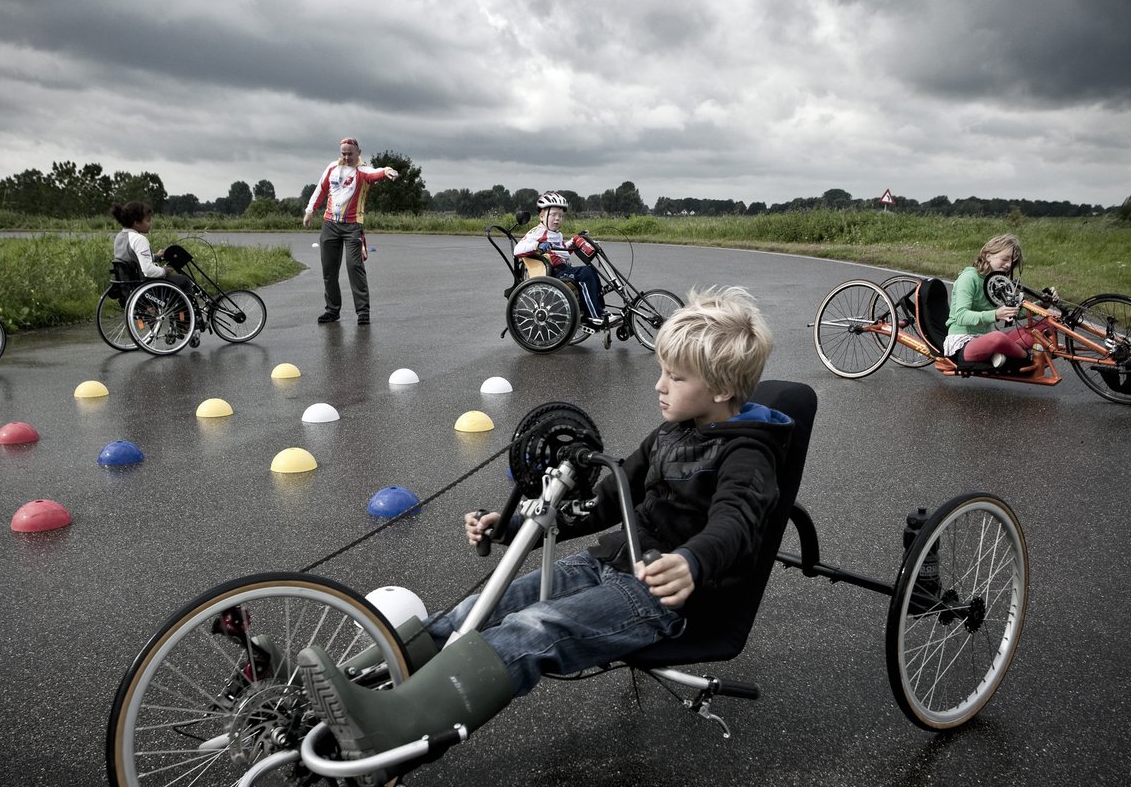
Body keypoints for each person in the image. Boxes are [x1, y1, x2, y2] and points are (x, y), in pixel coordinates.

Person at [297, 286, 794, 785]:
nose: (659, 386)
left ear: (721, 390)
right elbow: (603, 502)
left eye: (676, 377)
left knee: (535, 626)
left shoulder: (748, 455)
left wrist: (692, 561)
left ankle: (393, 731)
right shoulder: (672, 432)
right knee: (478, 609)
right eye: (662, 371)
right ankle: (328, 689)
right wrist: (514, 526)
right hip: (605, 564)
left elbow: (737, 522)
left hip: (657, 596)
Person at [303, 137, 398, 325]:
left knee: (354, 267)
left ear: (359, 153)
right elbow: (320, 189)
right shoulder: (332, 167)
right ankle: (332, 310)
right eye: (343, 153)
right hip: (330, 225)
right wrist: (309, 211)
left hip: (352, 226)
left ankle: (363, 312)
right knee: (329, 270)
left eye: (350, 154)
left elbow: (376, 172)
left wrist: (388, 171)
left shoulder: (362, 171)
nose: (346, 157)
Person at [944, 233, 1058, 369]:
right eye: (1005, 259)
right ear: (988, 255)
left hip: (987, 338)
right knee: (997, 338)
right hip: (963, 342)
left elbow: (1014, 313)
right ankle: (1027, 357)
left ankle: (1006, 355)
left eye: (1012, 262)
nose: (1008, 265)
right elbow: (961, 316)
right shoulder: (969, 278)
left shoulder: (998, 282)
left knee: (1047, 324)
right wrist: (996, 314)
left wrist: (1043, 305)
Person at [513, 191, 620, 331]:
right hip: (553, 273)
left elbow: (562, 252)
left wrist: (575, 241)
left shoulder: (556, 234)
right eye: (553, 215)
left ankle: (601, 310)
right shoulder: (537, 232)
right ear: (542, 216)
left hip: (562, 269)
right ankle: (595, 316)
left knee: (591, 271)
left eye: (560, 216)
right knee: (585, 273)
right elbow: (517, 250)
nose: (557, 219)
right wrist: (537, 245)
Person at [109, 201, 192, 293]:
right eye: (148, 221)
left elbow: (133, 260)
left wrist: (156, 256)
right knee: (184, 281)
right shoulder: (139, 239)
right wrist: (164, 271)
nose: (150, 224)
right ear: (136, 223)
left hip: (129, 286)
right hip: (144, 286)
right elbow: (148, 270)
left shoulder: (120, 237)